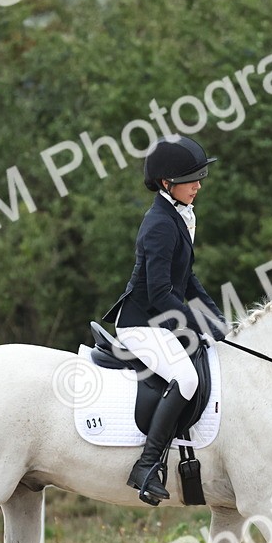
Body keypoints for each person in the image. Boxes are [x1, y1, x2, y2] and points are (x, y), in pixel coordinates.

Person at [103, 135, 229, 506]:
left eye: (200, 177)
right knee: (186, 377)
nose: (199, 185)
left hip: (159, 319)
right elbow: (159, 292)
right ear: (166, 184)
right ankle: (146, 464)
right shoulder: (159, 223)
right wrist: (194, 326)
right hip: (140, 322)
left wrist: (217, 319)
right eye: (192, 179)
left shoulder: (180, 215)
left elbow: (186, 279)